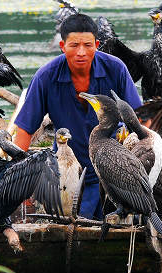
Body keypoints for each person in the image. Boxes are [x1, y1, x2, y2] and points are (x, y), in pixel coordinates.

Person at [13, 13, 142, 219]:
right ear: (62, 46)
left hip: (115, 173)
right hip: (66, 172)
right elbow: (24, 132)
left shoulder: (115, 69)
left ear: (97, 44)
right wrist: (18, 185)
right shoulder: (45, 77)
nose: (81, 52)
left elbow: (140, 121)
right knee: (72, 223)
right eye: (74, 45)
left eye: (88, 45)